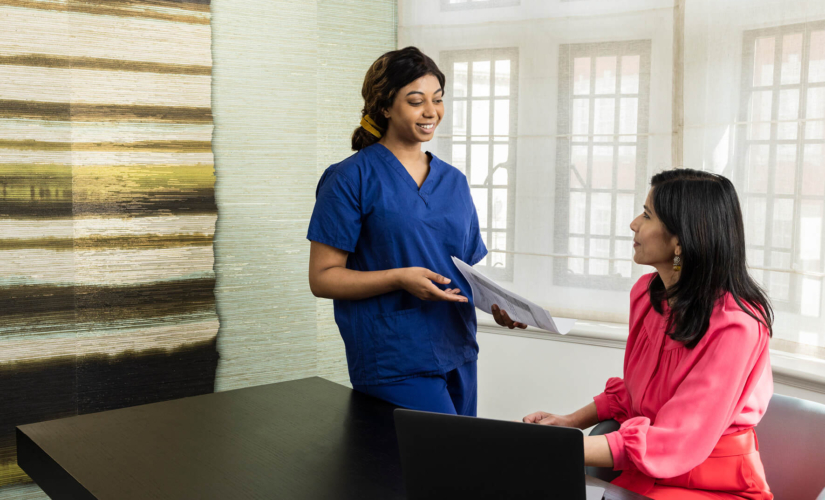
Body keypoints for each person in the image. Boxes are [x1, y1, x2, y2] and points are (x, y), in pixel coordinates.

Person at [496, 169, 774, 499]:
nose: (633, 224)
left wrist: (559, 446)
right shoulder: (647, 295)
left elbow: (677, 438)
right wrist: (570, 422)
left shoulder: (736, 324)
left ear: (681, 239)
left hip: (716, 485)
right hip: (648, 474)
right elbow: (638, 394)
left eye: (646, 214)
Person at [307, 47, 487, 416]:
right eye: (416, 101)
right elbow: (322, 279)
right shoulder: (349, 178)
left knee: (463, 467)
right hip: (391, 355)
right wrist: (399, 278)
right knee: (426, 465)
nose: (431, 112)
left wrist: (498, 305)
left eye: (437, 100)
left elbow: (462, 270)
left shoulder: (454, 181)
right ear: (386, 106)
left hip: (457, 346)